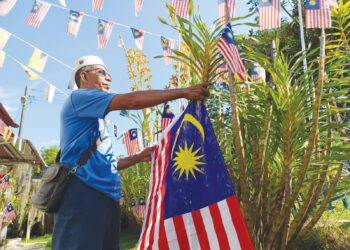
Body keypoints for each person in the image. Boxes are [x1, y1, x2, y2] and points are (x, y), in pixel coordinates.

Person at [52, 55, 210, 250]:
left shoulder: (94, 119)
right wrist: (183, 92)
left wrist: (137, 157)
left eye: (108, 73)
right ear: (83, 76)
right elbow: (132, 101)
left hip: (105, 197)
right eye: (101, 72)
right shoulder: (80, 97)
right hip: (84, 192)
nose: (108, 77)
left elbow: (107, 163)